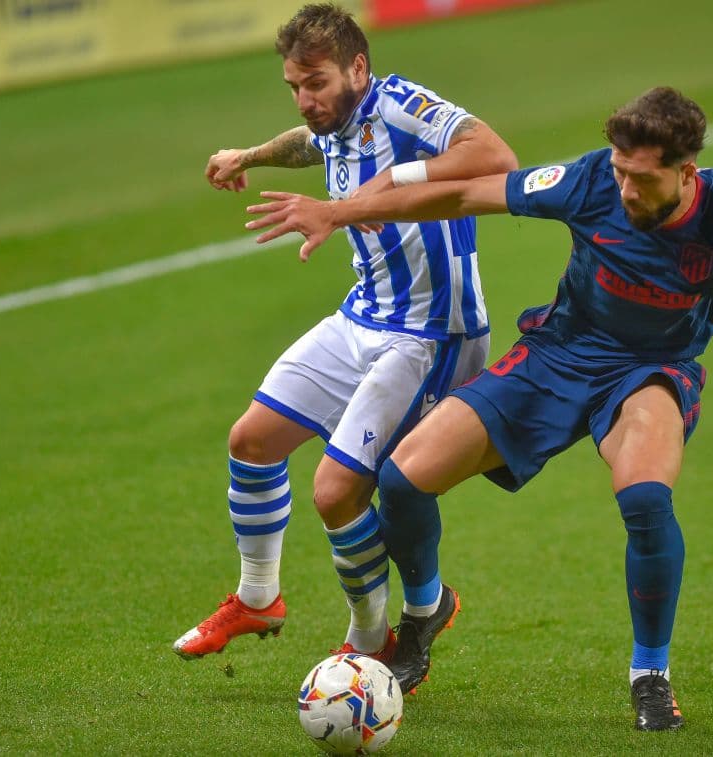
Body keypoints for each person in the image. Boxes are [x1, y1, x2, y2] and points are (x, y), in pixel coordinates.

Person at [245, 86, 713, 729]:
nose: (624, 190)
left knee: (646, 498)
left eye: (642, 179)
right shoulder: (590, 180)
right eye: (619, 172)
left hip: (651, 372)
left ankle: (650, 674)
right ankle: (424, 612)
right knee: (401, 477)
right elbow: (464, 193)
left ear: (687, 172)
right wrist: (345, 211)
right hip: (556, 355)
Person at [172, 3, 517, 665]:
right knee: (251, 440)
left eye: (317, 84)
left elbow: (494, 153)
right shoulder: (335, 118)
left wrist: (388, 183)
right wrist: (250, 154)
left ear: (359, 67)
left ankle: (369, 640)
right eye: (294, 88)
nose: (305, 100)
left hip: (430, 334)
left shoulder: (399, 105)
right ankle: (257, 596)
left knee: (337, 491)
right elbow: (315, 144)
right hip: (364, 316)